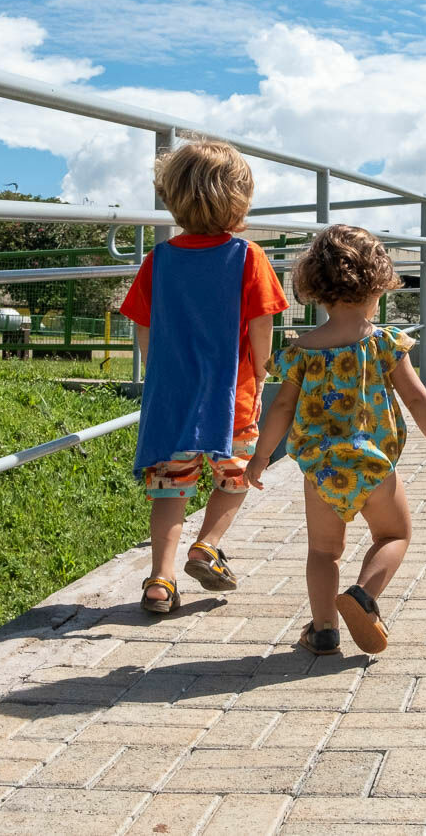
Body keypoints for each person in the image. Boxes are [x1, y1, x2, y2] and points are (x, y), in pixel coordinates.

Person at [246, 225, 426, 655]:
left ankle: (324, 629)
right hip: (374, 465)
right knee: (393, 536)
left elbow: (282, 409)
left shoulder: (302, 349)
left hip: (322, 470)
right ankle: (363, 596)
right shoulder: (383, 343)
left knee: (323, 553)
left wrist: (261, 457)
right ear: (378, 285)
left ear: (318, 289)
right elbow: (417, 400)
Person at [120, 139, 289, 615]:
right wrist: (260, 372)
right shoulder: (247, 256)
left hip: (171, 403)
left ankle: (160, 579)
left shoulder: (159, 259)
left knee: (170, 489)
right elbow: (262, 329)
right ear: (238, 198)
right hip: (229, 398)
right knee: (236, 479)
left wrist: (160, 378)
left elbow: (144, 328)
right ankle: (208, 545)